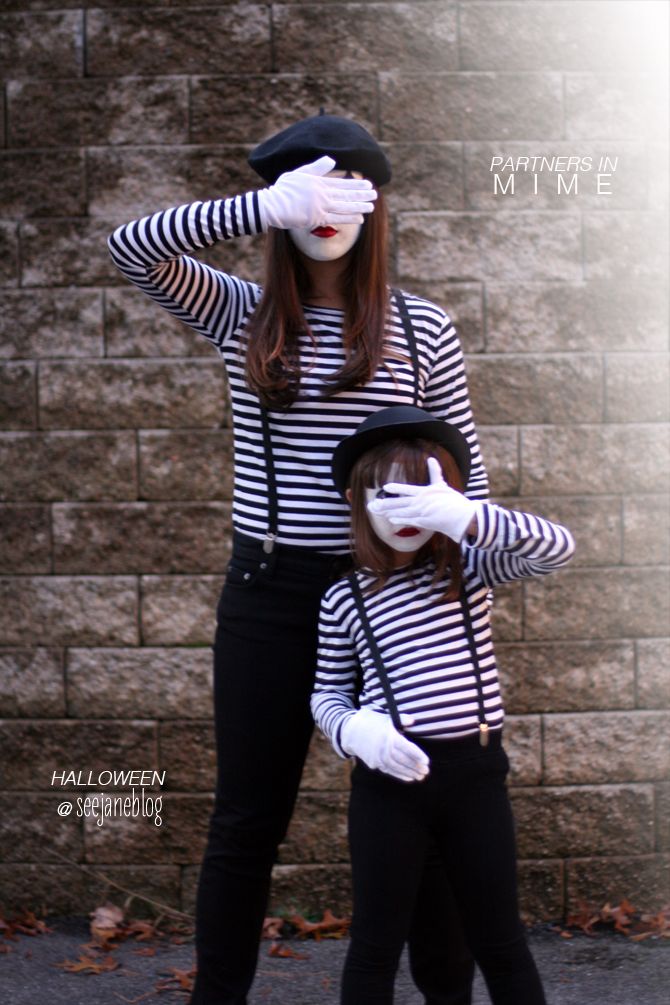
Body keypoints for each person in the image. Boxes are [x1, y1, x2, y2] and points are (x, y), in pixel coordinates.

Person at [108, 113, 488, 1005]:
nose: (325, 206)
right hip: (271, 591)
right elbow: (131, 248)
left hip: (398, 593)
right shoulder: (243, 312)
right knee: (247, 821)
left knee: (424, 818)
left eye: (345, 185)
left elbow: (466, 486)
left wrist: (465, 563)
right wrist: (260, 206)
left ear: (375, 204)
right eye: (307, 190)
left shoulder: (423, 328)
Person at [312, 405, 576, 1005]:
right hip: (388, 789)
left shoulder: (471, 568)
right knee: (376, 946)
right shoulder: (344, 596)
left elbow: (558, 549)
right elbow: (326, 694)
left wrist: (469, 519)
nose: (403, 508)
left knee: (501, 941)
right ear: (359, 500)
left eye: (420, 490)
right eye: (386, 491)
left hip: (475, 780)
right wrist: (356, 731)